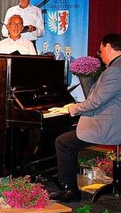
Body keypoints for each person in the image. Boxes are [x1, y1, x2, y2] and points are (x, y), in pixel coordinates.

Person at [51, 33, 121, 202]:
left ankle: (70, 190)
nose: (100, 54)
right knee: (68, 132)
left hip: (108, 124)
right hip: (110, 119)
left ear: (109, 47)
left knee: (63, 142)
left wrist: (71, 108)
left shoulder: (114, 71)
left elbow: (96, 101)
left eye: (101, 50)